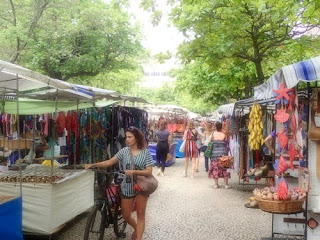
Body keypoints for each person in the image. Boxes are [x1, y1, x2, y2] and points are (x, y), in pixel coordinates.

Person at [85, 126, 153, 240]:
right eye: (126, 137)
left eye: (130, 137)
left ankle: (139, 237)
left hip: (141, 186)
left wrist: (134, 171)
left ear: (136, 138)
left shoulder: (145, 152)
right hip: (126, 186)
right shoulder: (124, 151)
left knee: (141, 215)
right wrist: (94, 165)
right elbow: (109, 162)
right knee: (126, 215)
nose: (127, 139)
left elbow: (149, 171)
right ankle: (137, 229)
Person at [208, 122, 231, 189]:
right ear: (221, 127)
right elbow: (227, 143)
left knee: (215, 168)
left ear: (215, 127)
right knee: (225, 168)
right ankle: (226, 184)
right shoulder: (224, 135)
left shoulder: (212, 135)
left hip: (214, 154)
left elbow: (209, 142)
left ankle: (216, 184)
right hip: (223, 154)